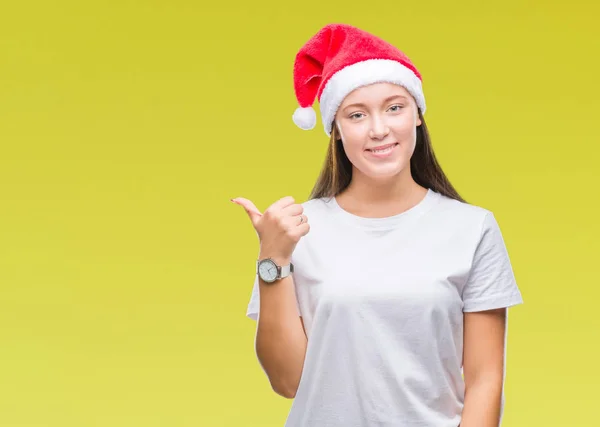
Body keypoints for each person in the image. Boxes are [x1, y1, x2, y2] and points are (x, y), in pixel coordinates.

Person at [232, 23, 524, 427]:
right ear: (336, 130)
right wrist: (272, 259)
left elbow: (485, 380)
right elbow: (287, 381)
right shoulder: (299, 230)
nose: (379, 129)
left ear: (417, 116)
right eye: (356, 114)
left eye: (394, 107)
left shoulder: (472, 229)